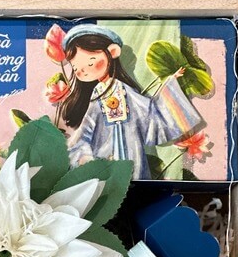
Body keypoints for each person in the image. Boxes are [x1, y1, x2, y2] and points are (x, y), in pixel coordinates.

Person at [60, 24, 204, 179]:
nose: (83, 71)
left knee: (134, 177)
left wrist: (170, 85)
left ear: (113, 52)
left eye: (90, 62)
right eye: (76, 68)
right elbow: (88, 124)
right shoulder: (97, 93)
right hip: (103, 150)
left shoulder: (123, 89)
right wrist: (81, 152)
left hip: (131, 148)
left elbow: (148, 112)